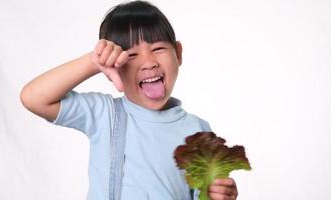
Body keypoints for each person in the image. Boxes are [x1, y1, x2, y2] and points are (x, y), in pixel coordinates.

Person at [20, 1, 238, 199]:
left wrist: (219, 194)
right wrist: (93, 62)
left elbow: (204, 193)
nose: (148, 62)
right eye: (131, 55)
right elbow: (34, 98)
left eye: (158, 48)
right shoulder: (104, 114)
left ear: (178, 53)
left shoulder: (198, 130)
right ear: (112, 66)